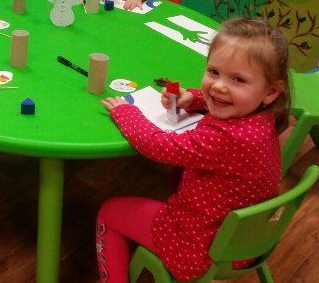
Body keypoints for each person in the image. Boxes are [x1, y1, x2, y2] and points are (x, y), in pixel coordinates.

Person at [97, 17, 290, 282]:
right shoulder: (263, 117)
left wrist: (125, 112)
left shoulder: (227, 138)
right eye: (214, 72)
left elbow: (156, 146)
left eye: (238, 79)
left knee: (109, 212)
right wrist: (194, 97)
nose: (219, 86)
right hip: (243, 242)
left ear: (271, 91)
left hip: (198, 249)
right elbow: (225, 100)